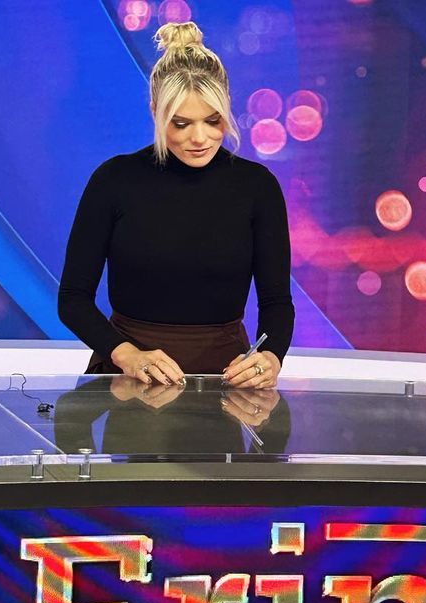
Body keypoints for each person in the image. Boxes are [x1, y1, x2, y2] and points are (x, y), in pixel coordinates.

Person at [58, 21, 294, 390]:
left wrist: (270, 356)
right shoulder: (114, 180)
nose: (199, 138)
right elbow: (73, 299)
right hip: (130, 380)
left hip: (226, 381)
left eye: (213, 121)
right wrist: (126, 354)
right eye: (181, 124)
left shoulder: (257, 186)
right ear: (155, 111)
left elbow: (276, 301)